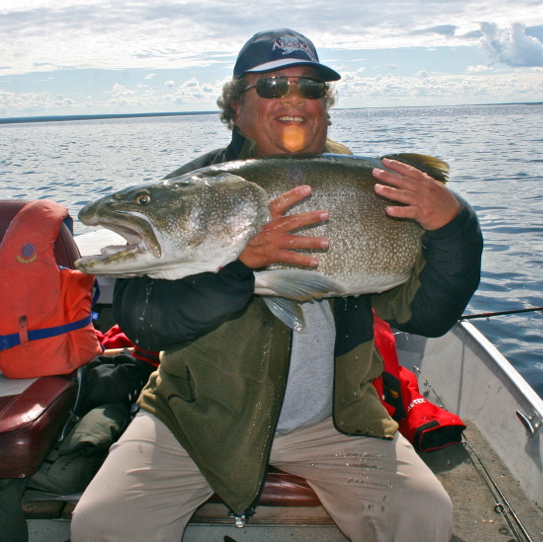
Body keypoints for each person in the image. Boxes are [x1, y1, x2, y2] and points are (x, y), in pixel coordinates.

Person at [71, 28, 483, 542]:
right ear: (236, 108)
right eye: (271, 87)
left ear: (325, 109)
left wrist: (456, 223)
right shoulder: (195, 186)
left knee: (425, 516)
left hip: (338, 423)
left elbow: (429, 317)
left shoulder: (383, 188)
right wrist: (240, 268)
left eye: (310, 88)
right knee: (101, 524)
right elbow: (144, 324)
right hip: (194, 420)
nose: (293, 99)